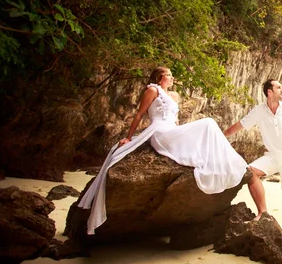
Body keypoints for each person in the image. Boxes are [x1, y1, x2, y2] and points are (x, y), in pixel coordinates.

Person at [79, 66, 248, 235]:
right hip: (159, 132)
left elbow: (175, 121)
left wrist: (184, 135)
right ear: (159, 78)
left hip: (171, 130)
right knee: (209, 122)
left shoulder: (172, 96)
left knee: (208, 125)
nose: (172, 78)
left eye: (172, 75)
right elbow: (139, 114)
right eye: (168, 75)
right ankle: (228, 161)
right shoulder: (153, 90)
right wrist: (129, 138)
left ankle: (222, 162)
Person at [224, 79, 282, 238]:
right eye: (278, 87)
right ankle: (263, 212)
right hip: (274, 156)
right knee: (250, 172)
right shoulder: (259, 111)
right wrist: (222, 135)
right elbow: (241, 124)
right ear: (269, 92)